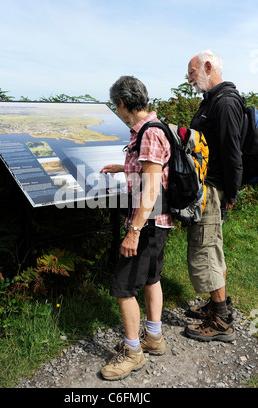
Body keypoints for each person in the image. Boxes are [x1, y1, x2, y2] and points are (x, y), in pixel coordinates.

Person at [99, 76, 174, 380]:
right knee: (151, 278)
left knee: (123, 287)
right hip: (159, 222)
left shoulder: (148, 133)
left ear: (122, 103)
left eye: (115, 106)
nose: (116, 111)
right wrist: (122, 167)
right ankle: (153, 338)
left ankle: (132, 353)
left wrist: (133, 231)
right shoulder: (155, 126)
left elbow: (152, 189)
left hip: (147, 223)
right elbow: (151, 168)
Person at [185, 50, 245, 342]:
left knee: (205, 247)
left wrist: (231, 193)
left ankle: (221, 320)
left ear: (208, 67)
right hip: (206, 187)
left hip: (212, 188)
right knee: (211, 245)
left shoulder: (225, 103)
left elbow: (233, 152)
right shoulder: (213, 101)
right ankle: (215, 304)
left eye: (192, 73)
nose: (189, 80)